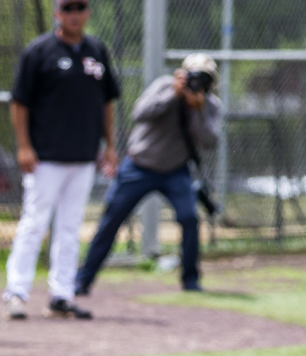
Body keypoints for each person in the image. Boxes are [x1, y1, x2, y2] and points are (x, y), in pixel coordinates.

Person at [3, 0, 120, 321]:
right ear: (57, 13)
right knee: (35, 222)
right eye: (68, 7)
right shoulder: (39, 51)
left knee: (70, 227)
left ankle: (62, 294)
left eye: (80, 7)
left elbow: (108, 101)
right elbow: (19, 102)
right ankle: (16, 291)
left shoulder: (97, 49)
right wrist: (24, 146)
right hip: (46, 157)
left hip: (83, 156)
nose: (74, 14)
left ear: (88, 13)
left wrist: (110, 145)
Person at [74, 54, 221, 296]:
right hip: (139, 166)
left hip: (176, 170)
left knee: (189, 219)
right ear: (182, 74)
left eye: (203, 79)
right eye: (193, 77)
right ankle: (83, 280)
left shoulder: (210, 106)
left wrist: (197, 109)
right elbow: (139, 113)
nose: (196, 83)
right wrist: (173, 95)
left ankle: (191, 280)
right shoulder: (165, 86)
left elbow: (210, 141)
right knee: (111, 219)